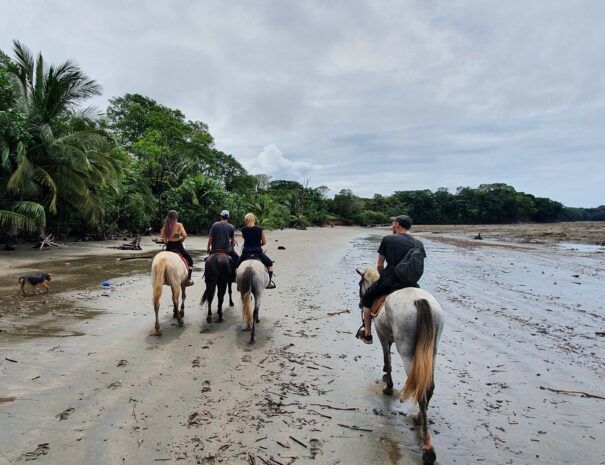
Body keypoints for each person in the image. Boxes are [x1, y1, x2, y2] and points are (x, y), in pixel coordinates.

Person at [356, 214, 426, 344]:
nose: (391, 226)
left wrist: (382, 278)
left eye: (392, 223)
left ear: (397, 225)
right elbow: (419, 266)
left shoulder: (388, 239)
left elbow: (379, 265)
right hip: (411, 283)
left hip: (390, 282)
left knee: (366, 299)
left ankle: (367, 333)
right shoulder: (419, 243)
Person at [236, 213, 276, 289]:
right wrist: (257, 245)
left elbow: (245, 239)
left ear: (246, 220)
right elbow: (264, 242)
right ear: (254, 219)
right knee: (270, 264)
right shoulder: (260, 230)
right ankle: (269, 282)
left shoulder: (243, 230)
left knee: (237, 266)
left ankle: (238, 284)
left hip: (246, 253)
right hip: (258, 252)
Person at [161, 210, 194, 286]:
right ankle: (188, 278)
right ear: (176, 217)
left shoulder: (166, 225)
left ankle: (162, 277)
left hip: (169, 247)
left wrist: (166, 242)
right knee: (190, 260)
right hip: (178, 246)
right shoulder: (179, 225)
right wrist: (181, 239)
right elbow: (185, 235)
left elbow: (163, 237)